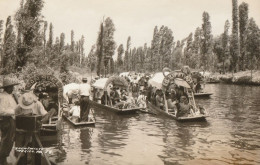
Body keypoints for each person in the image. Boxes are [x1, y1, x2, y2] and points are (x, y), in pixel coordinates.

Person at [0, 78, 19, 164]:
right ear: (7, 88)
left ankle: (5, 158)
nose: (13, 89)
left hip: (11, 119)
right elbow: (1, 111)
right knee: (6, 140)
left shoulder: (9, 96)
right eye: (11, 87)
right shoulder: (2, 97)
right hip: (6, 120)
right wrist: (14, 112)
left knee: (10, 140)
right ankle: (2, 159)